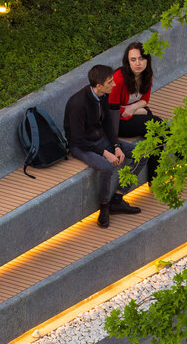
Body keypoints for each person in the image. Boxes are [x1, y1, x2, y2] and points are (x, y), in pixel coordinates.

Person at [63, 63, 140, 229]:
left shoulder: (103, 96)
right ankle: (104, 206)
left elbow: (107, 123)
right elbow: (77, 140)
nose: (114, 84)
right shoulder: (77, 104)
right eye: (110, 82)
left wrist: (116, 145)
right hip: (81, 146)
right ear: (99, 86)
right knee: (106, 167)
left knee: (141, 153)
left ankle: (118, 198)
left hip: (102, 139)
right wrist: (105, 153)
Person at [107, 42, 162, 184]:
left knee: (157, 130)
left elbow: (145, 99)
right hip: (117, 123)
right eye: (133, 59)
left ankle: (154, 176)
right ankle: (157, 175)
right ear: (127, 61)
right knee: (157, 126)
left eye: (141, 59)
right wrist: (135, 110)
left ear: (147, 60)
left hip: (131, 113)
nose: (138, 63)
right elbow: (112, 109)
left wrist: (133, 108)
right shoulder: (119, 79)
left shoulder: (146, 75)